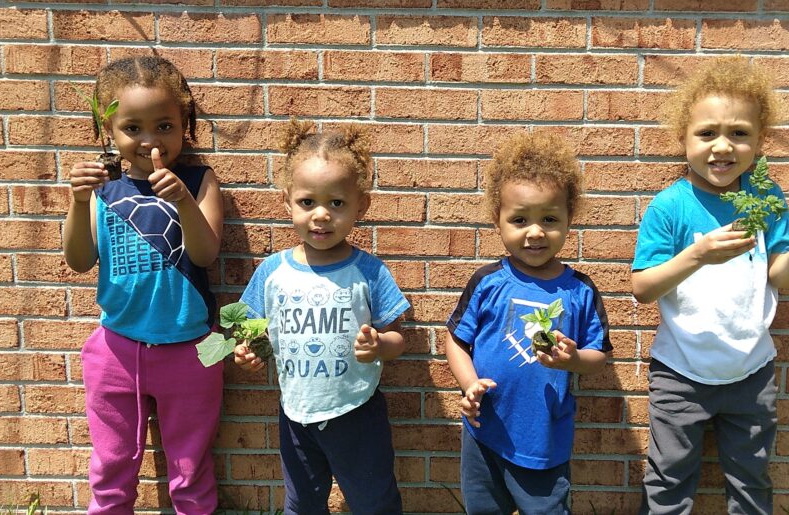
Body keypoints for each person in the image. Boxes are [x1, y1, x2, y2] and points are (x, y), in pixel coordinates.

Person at [632, 56, 789, 515]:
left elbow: (777, 276)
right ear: (684, 139)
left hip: (751, 373)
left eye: (739, 133)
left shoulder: (765, 196)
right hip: (679, 373)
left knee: (751, 482)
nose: (723, 146)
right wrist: (697, 254)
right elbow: (642, 288)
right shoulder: (670, 207)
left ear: (759, 141)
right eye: (707, 133)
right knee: (668, 479)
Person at [63, 55, 224, 514]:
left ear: (184, 124)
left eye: (165, 126)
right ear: (107, 130)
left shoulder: (198, 181)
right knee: (112, 466)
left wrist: (182, 201)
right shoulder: (101, 189)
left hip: (193, 349)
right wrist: (77, 202)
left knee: (191, 469)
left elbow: (205, 254)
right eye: (133, 128)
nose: (149, 140)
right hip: (116, 351)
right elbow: (78, 260)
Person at [233, 119, 410, 515]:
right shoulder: (272, 272)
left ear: (360, 206)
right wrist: (247, 351)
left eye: (337, 203)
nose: (321, 215)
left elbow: (399, 339)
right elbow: (251, 333)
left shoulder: (369, 271)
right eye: (307, 202)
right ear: (287, 202)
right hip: (295, 413)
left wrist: (380, 344)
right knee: (302, 503)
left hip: (356, 412)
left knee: (374, 501)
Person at [445, 132, 612, 515]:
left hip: (544, 440)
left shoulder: (579, 290)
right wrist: (469, 383)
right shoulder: (487, 282)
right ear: (497, 220)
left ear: (570, 219)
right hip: (485, 432)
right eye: (520, 219)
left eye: (549, 219)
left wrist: (573, 360)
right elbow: (456, 341)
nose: (535, 232)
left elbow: (598, 355)